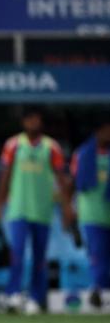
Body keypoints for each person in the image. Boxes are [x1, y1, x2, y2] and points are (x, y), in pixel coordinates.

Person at [0, 107, 74, 315]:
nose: (34, 124)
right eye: (30, 120)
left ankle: (35, 299)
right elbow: (5, 177)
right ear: (24, 123)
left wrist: (67, 208)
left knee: (40, 257)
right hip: (18, 209)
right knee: (17, 254)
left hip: (42, 210)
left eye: (37, 120)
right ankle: (13, 295)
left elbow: (61, 179)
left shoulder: (51, 147)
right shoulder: (13, 145)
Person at [69, 119, 110, 309]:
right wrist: (70, 212)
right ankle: (99, 292)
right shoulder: (83, 154)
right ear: (99, 131)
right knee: (98, 256)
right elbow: (72, 184)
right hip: (91, 215)